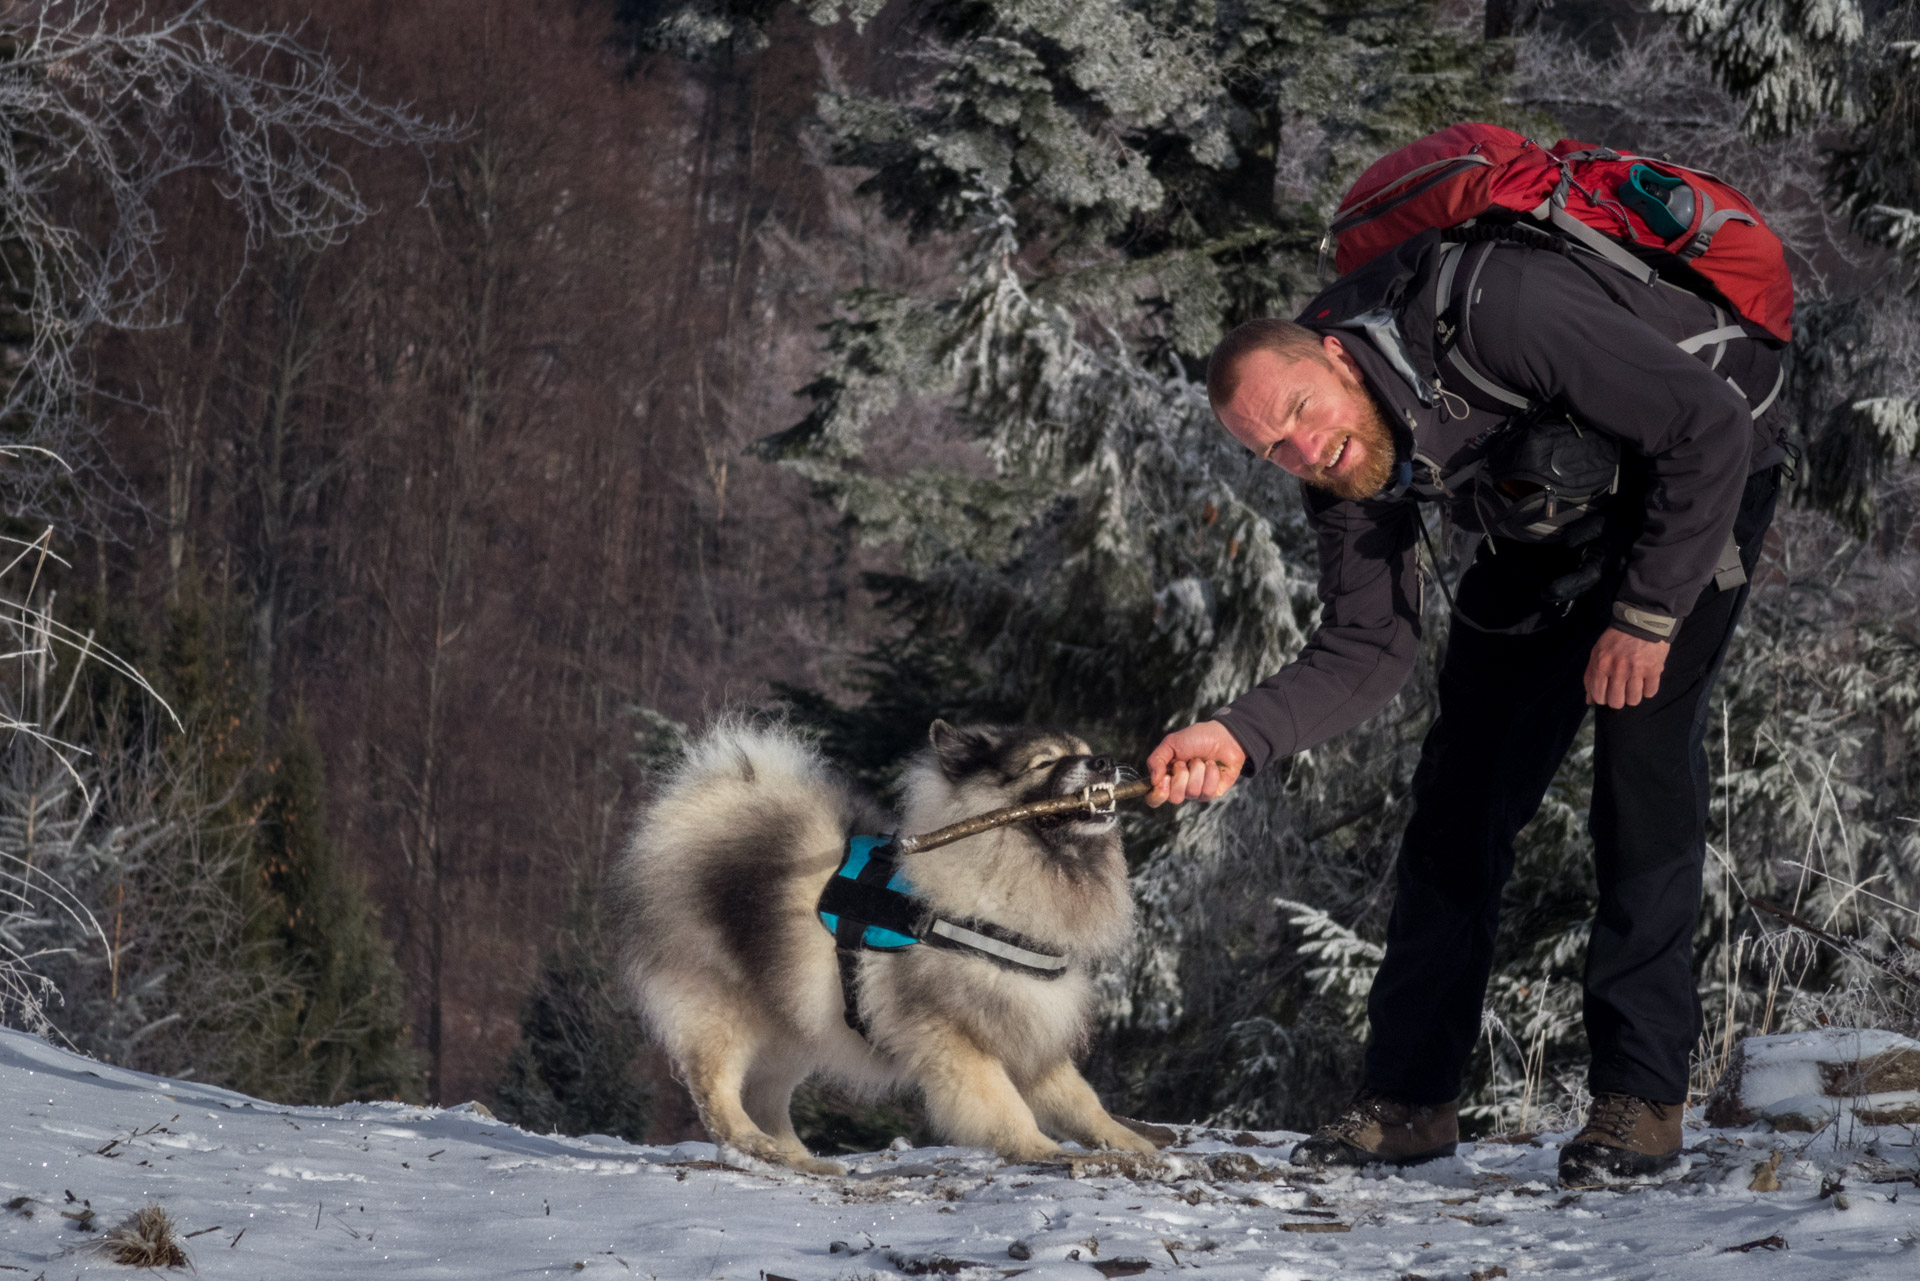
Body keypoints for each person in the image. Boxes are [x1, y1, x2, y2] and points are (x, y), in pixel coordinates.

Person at [1147, 227, 1786, 1186]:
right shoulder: (1346, 471)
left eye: (1299, 414)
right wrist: (1239, 733)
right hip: (1544, 514)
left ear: (1333, 354)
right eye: (1274, 449)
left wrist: (1648, 616)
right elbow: (1367, 645)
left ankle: (1640, 1101)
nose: (1306, 448)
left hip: (1695, 489)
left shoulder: (1499, 308)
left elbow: (1710, 429)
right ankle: (1409, 1100)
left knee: (1640, 773)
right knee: (1458, 798)